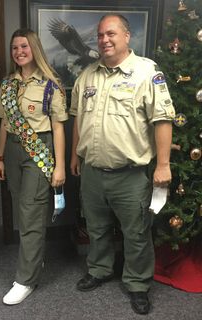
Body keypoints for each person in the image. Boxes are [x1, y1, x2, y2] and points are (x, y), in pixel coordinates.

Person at [70, 14, 175, 315]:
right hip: (92, 172)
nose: (104, 39)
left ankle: (138, 284)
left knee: (137, 233)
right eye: (101, 35)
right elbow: (79, 118)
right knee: (96, 227)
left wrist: (163, 165)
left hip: (130, 175)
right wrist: (74, 156)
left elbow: (163, 120)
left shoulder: (147, 72)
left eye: (111, 33)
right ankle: (100, 269)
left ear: (127, 36)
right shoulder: (87, 76)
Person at [0, 28, 68, 305]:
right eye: (15, 47)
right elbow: (4, 122)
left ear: (34, 48)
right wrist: (0, 156)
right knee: (21, 209)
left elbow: (59, 128)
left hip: (39, 152)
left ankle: (26, 279)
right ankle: (35, 261)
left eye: (24, 46)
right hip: (13, 152)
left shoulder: (51, 85)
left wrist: (59, 167)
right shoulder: (8, 84)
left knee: (31, 213)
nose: (19, 51)